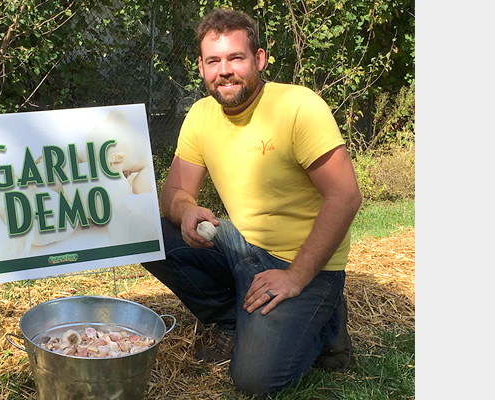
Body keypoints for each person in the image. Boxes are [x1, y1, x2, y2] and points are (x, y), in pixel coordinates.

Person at [140, 7, 363, 397]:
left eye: (235, 58)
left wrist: (295, 276)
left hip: (304, 262)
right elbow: (173, 194)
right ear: (201, 67)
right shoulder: (200, 115)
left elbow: (345, 196)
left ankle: (326, 322)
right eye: (214, 61)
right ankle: (233, 321)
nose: (224, 70)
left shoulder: (298, 107)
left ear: (258, 59)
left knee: (255, 380)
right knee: (143, 231)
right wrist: (186, 209)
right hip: (241, 245)